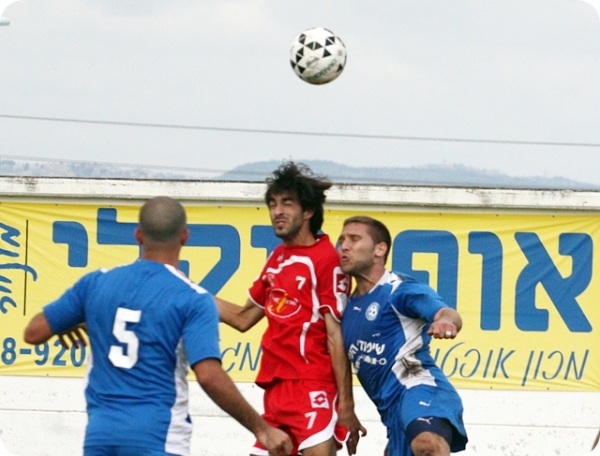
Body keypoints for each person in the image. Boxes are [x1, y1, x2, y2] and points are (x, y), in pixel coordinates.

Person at [23, 196, 292, 456]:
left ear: (138, 236)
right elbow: (209, 376)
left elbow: (33, 333)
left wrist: (68, 322)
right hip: (158, 437)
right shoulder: (193, 298)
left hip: (101, 436)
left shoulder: (95, 283)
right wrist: (262, 429)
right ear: (184, 237)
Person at [215, 162, 366, 456]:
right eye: (272, 204)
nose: (277, 211)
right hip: (275, 390)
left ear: (307, 211)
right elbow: (243, 318)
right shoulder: (278, 258)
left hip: (312, 384)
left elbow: (335, 335)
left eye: (287, 203)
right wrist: (187, 290)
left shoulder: (326, 259)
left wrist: (346, 406)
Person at [337, 215, 468, 456]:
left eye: (354, 239)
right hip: (392, 415)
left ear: (380, 249)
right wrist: (346, 409)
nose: (344, 246)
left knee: (427, 445)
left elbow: (446, 312)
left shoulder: (399, 290)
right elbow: (341, 361)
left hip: (421, 388)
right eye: (342, 240)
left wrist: (446, 322)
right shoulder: (345, 307)